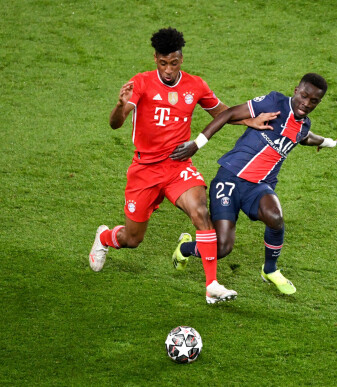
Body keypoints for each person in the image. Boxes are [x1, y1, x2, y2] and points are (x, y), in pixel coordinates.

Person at [89, 27, 276, 304]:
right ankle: (105, 237)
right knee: (132, 239)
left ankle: (211, 284)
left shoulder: (195, 85)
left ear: (181, 59)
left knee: (201, 212)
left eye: (173, 63)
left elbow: (220, 112)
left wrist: (249, 120)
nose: (168, 69)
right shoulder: (140, 83)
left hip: (178, 167)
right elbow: (116, 123)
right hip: (144, 170)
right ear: (155, 59)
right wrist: (119, 105)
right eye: (163, 63)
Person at [170, 73, 337, 295]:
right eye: (304, 96)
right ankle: (184, 248)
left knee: (275, 217)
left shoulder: (303, 126)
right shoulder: (274, 102)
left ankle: (270, 269)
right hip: (229, 178)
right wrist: (197, 144)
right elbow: (230, 113)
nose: (306, 104)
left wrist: (327, 142)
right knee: (221, 248)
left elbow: (305, 137)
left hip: (258, 187)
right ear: (296, 90)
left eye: (314, 101)